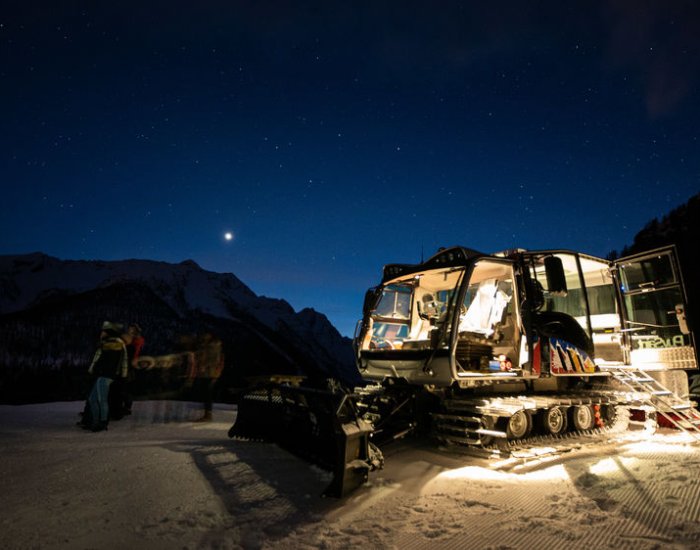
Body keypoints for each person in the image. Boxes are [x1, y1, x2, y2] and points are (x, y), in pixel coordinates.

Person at [79, 321, 128, 432]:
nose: (101, 333)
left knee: (102, 400)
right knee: (93, 399)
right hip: (103, 374)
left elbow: (115, 361)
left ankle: (102, 422)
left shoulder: (113, 345)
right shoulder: (107, 344)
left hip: (106, 375)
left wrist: (121, 375)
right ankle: (97, 422)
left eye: (103, 331)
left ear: (108, 333)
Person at [110, 323, 145, 419]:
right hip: (126, 365)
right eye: (130, 328)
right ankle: (121, 407)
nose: (130, 330)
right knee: (123, 387)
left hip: (130, 365)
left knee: (125, 387)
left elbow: (137, 346)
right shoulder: (130, 341)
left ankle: (126, 407)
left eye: (132, 329)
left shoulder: (136, 341)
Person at [193, 333, 224, 422]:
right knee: (205, 393)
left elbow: (214, 360)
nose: (203, 338)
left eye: (205, 336)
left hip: (210, 373)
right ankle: (206, 414)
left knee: (207, 393)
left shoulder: (214, 346)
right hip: (206, 373)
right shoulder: (207, 346)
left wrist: (204, 365)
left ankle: (207, 415)